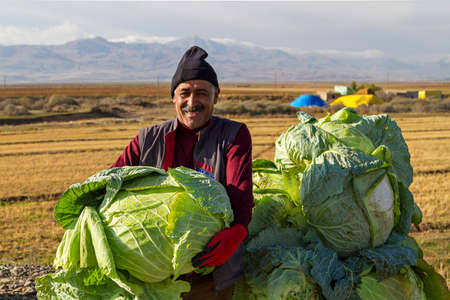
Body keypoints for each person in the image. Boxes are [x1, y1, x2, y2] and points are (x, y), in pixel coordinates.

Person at [111, 45, 254, 299]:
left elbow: (240, 193)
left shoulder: (233, 135)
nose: (192, 102)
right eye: (184, 93)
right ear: (173, 97)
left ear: (216, 96)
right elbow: (109, 182)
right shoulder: (148, 138)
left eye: (201, 93)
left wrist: (238, 231)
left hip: (210, 271)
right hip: (151, 273)